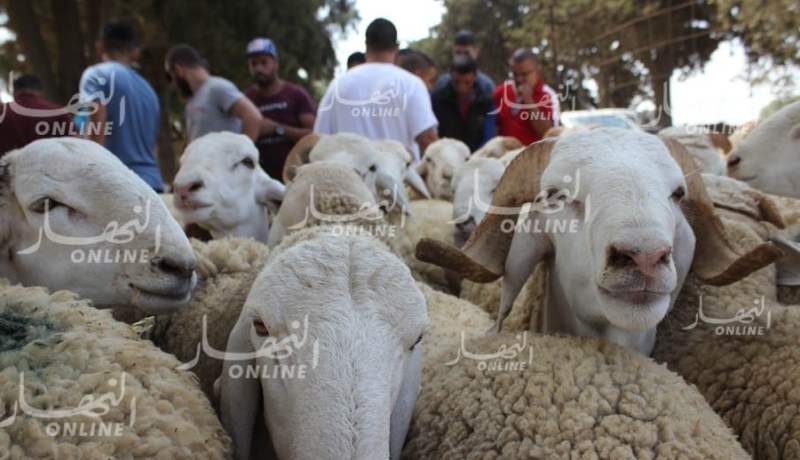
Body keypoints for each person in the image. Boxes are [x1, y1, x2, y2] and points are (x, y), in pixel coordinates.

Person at [314, 18, 438, 160]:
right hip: (399, 179)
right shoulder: (411, 84)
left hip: (350, 178)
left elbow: (320, 141)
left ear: (366, 45)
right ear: (396, 47)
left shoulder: (337, 85)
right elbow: (427, 141)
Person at [78, 21, 164, 191]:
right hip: (153, 185)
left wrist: (86, 177)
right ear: (134, 52)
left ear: (100, 47)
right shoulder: (148, 90)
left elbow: (97, 122)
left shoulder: (95, 75)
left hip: (118, 188)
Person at [243, 37, 316, 181]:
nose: (258, 68)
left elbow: (314, 134)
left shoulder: (295, 94)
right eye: (253, 63)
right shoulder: (246, 99)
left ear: (275, 63)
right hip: (259, 182)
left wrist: (277, 129)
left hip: (295, 178)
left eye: (264, 62)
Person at [164, 44, 262, 142]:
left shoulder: (217, 87)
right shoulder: (193, 100)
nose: (173, 84)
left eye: (170, 76)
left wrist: (242, 154)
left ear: (178, 69)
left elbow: (253, 117)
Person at [493, 48, 559, 145]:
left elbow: (548, 133)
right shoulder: (501, 92)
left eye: (524, 74)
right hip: (505, 157)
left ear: (537, 70)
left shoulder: (548, 95)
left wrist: (529, 101)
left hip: (535, 157)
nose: (519, 79)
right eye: (515, 74)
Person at [431, 55, 495, 151]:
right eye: (456, 82)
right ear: (450, 75)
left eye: (467, 82)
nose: (461, 88)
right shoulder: (437, 100)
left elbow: (488, 136)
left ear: (475, 76)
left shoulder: (486, 101)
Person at [0, 74, 73, 156]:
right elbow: (76, 144)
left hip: (6, 167)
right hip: (50, 166)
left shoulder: (2, 111)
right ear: (41, 91)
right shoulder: (57, 112)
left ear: (14, 92)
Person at [433, 30, 494, 95]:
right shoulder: (442, 84)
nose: (462, 58)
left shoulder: (486, 86)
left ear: (476, 52)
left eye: (466, 53)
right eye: (458, 53)